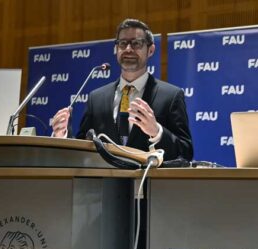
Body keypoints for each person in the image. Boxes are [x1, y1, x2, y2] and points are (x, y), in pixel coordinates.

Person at [51, 18, 193, 161]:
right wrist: (62, 135)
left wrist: (156, 132)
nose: (128, 49)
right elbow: (82, 149)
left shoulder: (171, 95)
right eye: (123, 43)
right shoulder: (97, 98)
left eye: (136, 43)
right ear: (116, 49)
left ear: (150, 50)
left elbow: (186, 152)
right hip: (104, 182)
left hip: (148, 181)